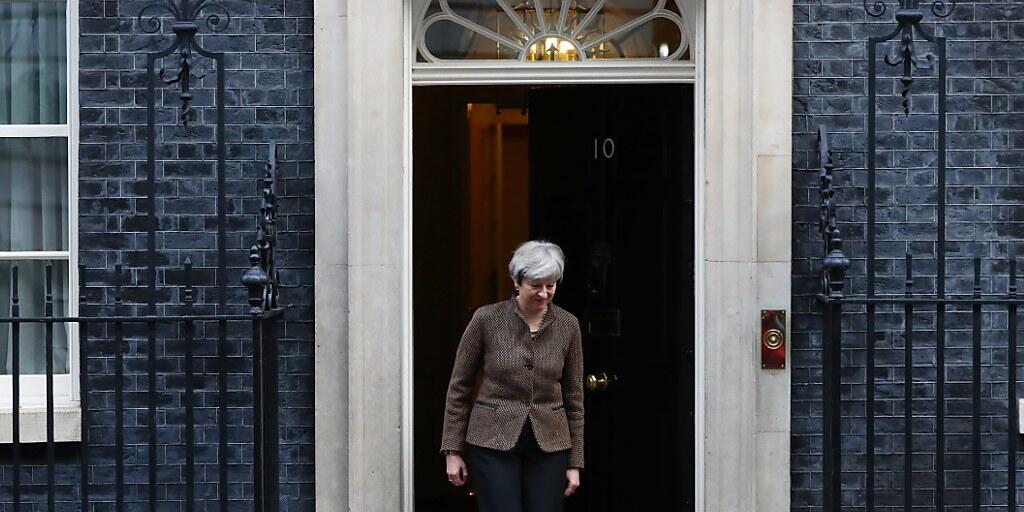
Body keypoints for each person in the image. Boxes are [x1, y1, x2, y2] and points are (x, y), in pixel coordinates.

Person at [440, 240, 584, 512]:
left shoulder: (568, 325)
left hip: (551, 445)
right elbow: (459, 387)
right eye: (535, 285)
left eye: (550, 285)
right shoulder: (486, 319)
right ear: (517, 281)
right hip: (492, 441)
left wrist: (575, 462)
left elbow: (574, 397)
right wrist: (452, 450)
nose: (543, 293)